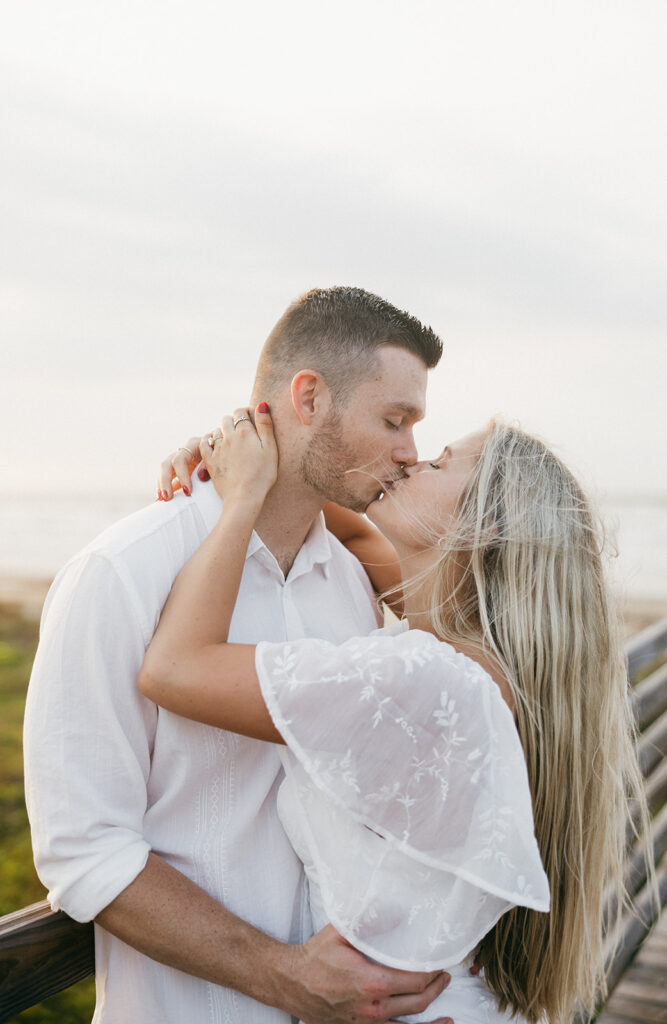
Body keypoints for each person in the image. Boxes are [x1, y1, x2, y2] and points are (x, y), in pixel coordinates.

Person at [24, 286, 458, 1024]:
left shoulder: (355, 582)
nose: (410, 453)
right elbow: (84, 850)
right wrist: (283, 976)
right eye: (394, 420)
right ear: (309, 398)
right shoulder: (122, 574)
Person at [142, 405, 650, 1024]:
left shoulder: (424, 683)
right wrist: (258, 455)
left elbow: (175, 670)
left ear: (482, 527)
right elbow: (354, 535)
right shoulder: (484, 666)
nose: (411, 457)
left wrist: (243, 492)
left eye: (438, 462)